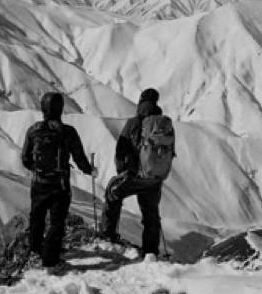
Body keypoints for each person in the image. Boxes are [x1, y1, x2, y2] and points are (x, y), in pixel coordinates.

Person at [21, 91, 94, 268]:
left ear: (43, 109)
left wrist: (37, 170)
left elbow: (25, 158)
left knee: (36, 218)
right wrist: (89, 170)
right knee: (57, 222)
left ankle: (35, 252)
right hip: (60, 185)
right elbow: (79, 157)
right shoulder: (67, 132)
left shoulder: (33, 130)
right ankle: (50, 259)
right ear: (60, 109)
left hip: (39, 184)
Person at [99, 88, 174, 257]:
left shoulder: (133, 123)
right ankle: (151, 251)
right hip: (154, 177)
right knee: (151, 214)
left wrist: (123, 172)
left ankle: (107, 235)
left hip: (133, 176)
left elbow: (121, 151)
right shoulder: (165, 125)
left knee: (112, 194)